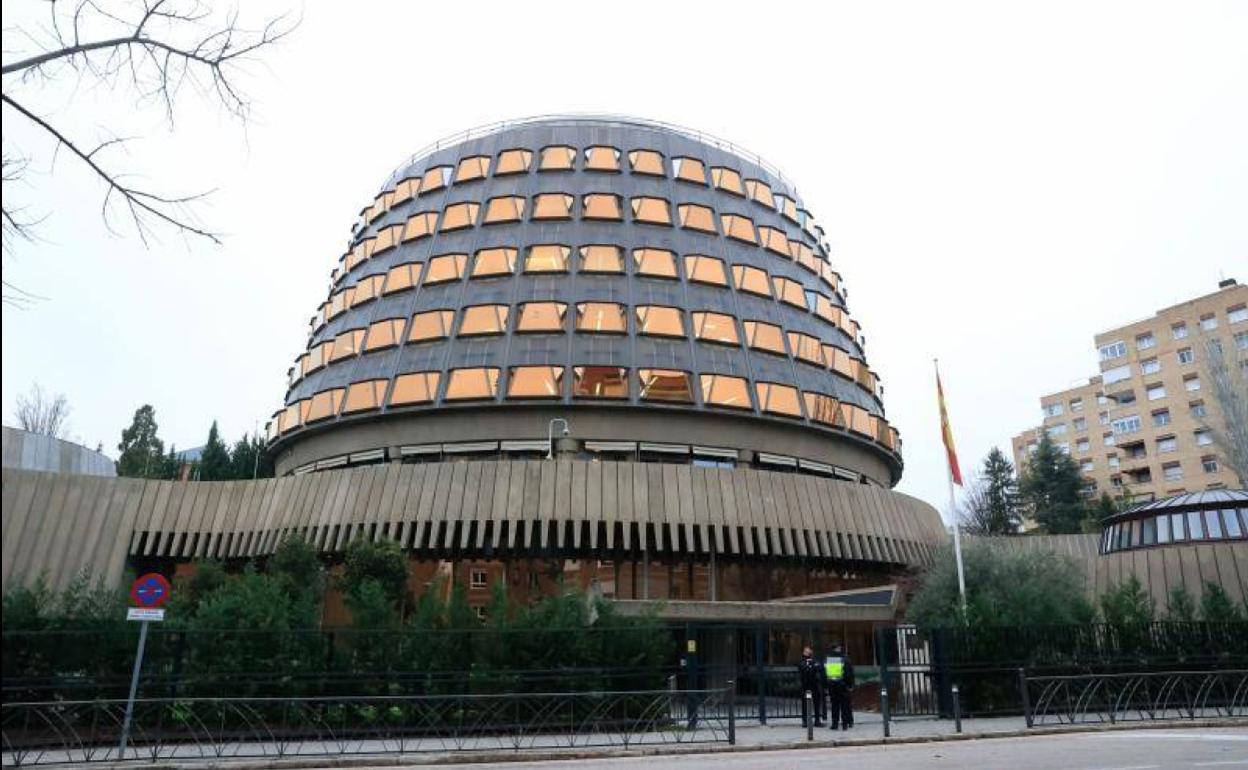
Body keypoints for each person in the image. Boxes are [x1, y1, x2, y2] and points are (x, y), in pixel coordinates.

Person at [825, 643, 855, 730]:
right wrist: (850, 685)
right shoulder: (845, 659)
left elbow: (824, 672)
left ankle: (834, 724)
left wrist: (825, 685)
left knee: (834, 705)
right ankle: (845, 724)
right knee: (844, 705)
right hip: (843, 685)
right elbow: (849, 673)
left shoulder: (828, 659)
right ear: (838, 649)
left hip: (832, 685)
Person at [796, 645, 825, 727]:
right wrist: (812, 666)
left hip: (814, 685)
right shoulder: (802, 661)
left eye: (809, 651)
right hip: (805, 685)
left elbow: (819, 668)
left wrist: (812, 666)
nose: (808, 652)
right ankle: (805, 721)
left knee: (816, 703)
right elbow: (805, 669)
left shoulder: (814, 660)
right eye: (806, 651)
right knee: (805, 704)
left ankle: (817, 720)